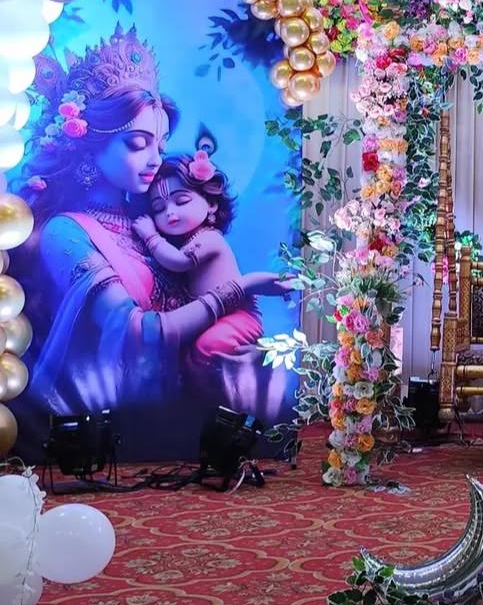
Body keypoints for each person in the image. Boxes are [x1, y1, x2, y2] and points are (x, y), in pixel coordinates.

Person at [12, 27, 287, 446]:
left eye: (160, 144)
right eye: (138, 143)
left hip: (183, 413)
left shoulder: (151, 223)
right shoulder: (66, 232)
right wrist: (240, 289)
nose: (155, 159)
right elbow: (141, 335)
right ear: (90, 147)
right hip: (116, 427)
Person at [134, 152, 264, 367]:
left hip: (237, 315)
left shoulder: (209, 238)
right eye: (159, 208)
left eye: (181, 201)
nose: (170, 212)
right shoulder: (188, 240)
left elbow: (179, 262)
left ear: (211, 203)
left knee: (207, 348)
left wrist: (150, 236)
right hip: (211, 317)